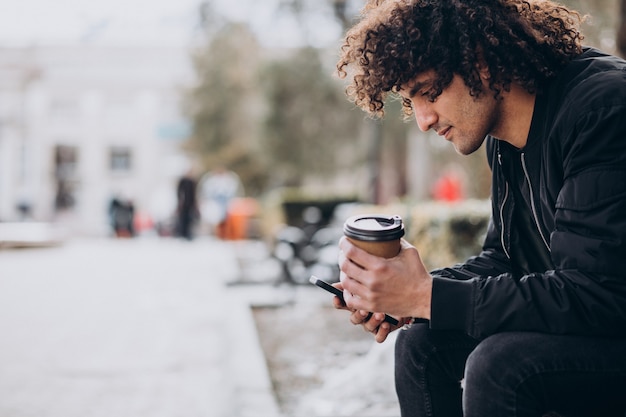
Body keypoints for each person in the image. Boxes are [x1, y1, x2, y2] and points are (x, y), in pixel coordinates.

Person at [333, 0, 626, 416]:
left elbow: (598, 292)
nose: (423, 119)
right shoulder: (505, 139)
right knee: (421, 344)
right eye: (409, 100)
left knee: (501, 367)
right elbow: (509, 259)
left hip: (610, 314)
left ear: (480, 61)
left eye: (427, 91)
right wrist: (404, 294)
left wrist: (427, 296)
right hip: (598, 316)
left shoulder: (603, 109)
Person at [175, 170, 199, 240]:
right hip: (183, 203)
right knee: (183, 219)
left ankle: (188, 233)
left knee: (189, 219)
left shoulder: (192, 182)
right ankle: (182, 233)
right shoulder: (183, 181)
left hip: (190, 203)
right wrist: (180, 201)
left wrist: (194, 203)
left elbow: (194, 193)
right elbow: (179, 192)